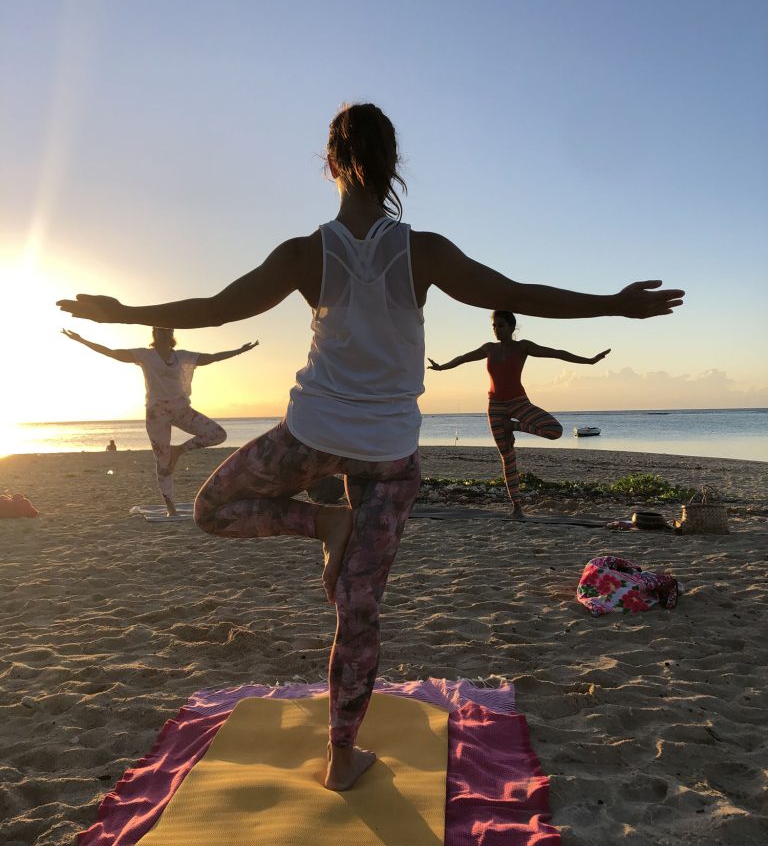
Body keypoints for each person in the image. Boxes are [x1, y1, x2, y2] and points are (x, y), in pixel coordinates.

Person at [58, 102, 683, 790]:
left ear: (329, 163)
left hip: (310, 436)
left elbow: (213, 309)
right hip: (389, 452)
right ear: (394, 164)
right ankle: (340, 754)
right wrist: (614, 304)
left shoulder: (304, 253)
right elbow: (517, 294)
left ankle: (321, 524)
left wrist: (125, 315)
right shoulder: (424, 250)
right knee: (358, 610)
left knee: (212, 508)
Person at [428, 311, 610, 518]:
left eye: (502, 326)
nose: (497, 330)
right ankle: (516, 506)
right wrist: (442, 367)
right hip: (495, 407)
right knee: (507, 457)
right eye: (494, 326)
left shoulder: (523, 347)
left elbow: (556, 352)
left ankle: (513, 427)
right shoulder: (489, 349)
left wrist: (588, 361)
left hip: (519, 403)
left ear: (512, 327)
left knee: (555, 431)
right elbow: (463, 358)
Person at [61, 327, 258, 516]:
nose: (164, 332)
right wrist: (81, 339)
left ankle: (178, 450)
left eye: (167, 329)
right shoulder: (144, 355)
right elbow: (112, 353)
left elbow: (212, 357)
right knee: (162, 461)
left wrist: (240, 351)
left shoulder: (182, 356)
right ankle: (169, 504)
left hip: (181, 409)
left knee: (217, 434)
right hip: (157, 413)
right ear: (154, 333)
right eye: (159, 329)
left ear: (172, 333)